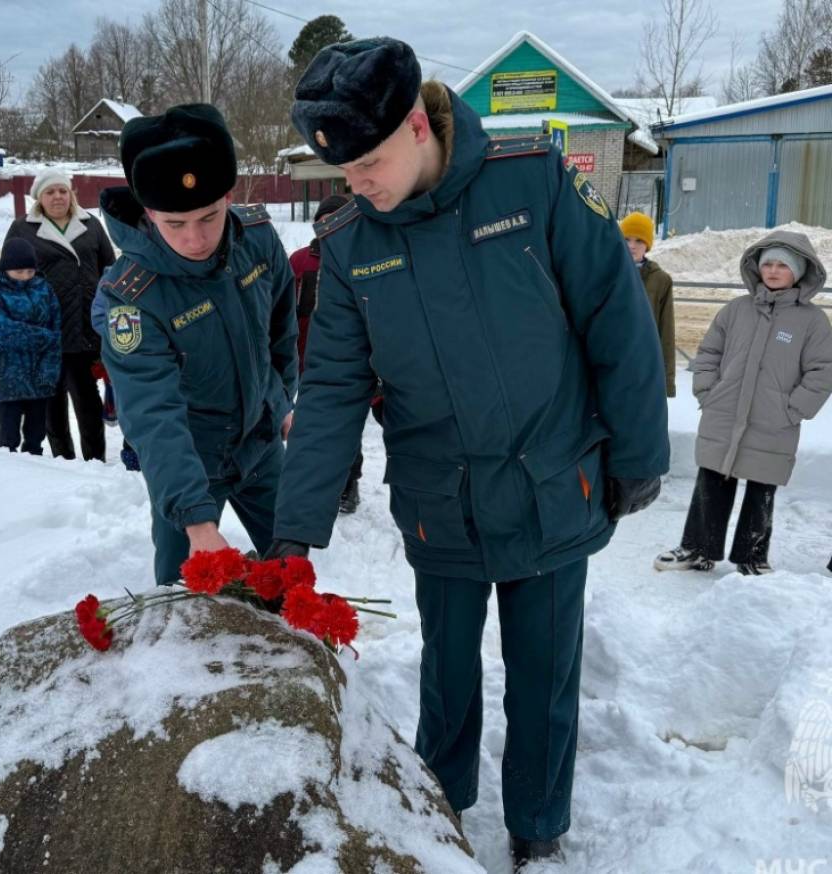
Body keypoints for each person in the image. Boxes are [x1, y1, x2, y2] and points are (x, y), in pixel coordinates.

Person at [266, 38, 669, 869]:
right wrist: (294, 534)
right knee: (446, 676)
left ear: (419, 125)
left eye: (370, 162)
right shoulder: (348, 246)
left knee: (545, 677)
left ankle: (538, 827)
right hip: (440, 503)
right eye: (342, 172)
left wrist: (637, 449)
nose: (357, 184)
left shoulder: (533, 179)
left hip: (553, 482)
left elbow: (615, 316)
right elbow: (334, 389)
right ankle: (435, 811)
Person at [91, 103, 298, 585]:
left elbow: (281, 329)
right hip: (189, 459)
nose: (196, 239)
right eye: (174, 224)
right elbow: (151, 414)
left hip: (261, 444)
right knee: (182, 595)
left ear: (228, 196)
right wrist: (196, 520)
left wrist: (280, 398)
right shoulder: (131, 298)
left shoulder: (258, 240)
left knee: (290, 577)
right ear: (148, 213)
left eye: (209, 217)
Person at [655, 231, 832, 576]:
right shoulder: (736, 310)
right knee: (711, 481)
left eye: (783, 265)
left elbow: (822, 371)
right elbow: (708, 354)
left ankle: (751, 557)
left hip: (774, 422)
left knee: (761, 490)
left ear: (799, 271)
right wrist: (708, 391)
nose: (774, 270)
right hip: (725, 413)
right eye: (768, 263)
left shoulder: (811, 321)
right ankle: (697, 549)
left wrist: (792, 409)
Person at [5, 171, 116, 461]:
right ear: (39, 198)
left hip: (85, 328)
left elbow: (110, 270)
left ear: (71, 194)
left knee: (88, 403)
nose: (57, 197)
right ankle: (62, 462)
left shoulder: (91, 225)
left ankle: (95, 463)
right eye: (50, 192)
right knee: (51, 406)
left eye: (62, 191)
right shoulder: (22, 229)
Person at [289, 192, 381, 514]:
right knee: (311, 427)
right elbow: (284, 310)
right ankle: (317, 485)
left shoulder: (363, 260)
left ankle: (348, 482)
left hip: (349, 363)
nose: (329, 228)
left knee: (345, 424)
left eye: (336, 220)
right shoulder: (300, 262)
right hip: (305, 358)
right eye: (322, 223)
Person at [0, 238, 61, 454]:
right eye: (19, 272)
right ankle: (9, 474)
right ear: (7, 269)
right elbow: (1, 330)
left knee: (36, 434)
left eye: (29, 271)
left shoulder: (44, 289)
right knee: (8, 433)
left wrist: (50, 368)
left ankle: (33, 471)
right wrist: (42, 336)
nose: (25, 277)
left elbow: (56, 332)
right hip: (6, 374)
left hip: (39, 374)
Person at [621, 211, 676, 397]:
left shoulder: (660, 280)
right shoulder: (606, 273)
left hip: (643, 367)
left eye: (639, 241)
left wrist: (666, 382)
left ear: (648, 246)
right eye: (626, 239)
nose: (631, 246)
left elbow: (666, 332)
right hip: (610, 363)